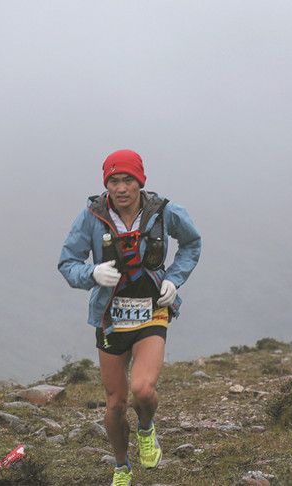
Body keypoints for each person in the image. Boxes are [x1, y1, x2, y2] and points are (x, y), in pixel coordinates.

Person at [58, 149, 201, 486]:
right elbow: (67, 263)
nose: (121, 188)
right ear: (105, 184)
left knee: (143, 390)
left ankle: (146, 428)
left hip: (153, 310)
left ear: (140, 181)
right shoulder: (91, 217)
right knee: (115, 403)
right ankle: (121, 466)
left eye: (128, 180)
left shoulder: (164, 212)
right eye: (113, 181)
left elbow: (192, 244)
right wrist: (92, 273)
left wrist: (174, 279)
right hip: (111, 317)